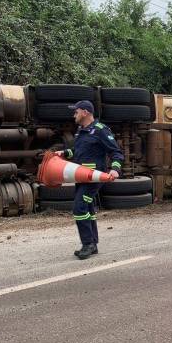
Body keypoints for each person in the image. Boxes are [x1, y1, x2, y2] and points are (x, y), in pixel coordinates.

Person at [56, 100, 123, 260]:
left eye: (76, 111)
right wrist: (63, 153)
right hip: (80, 176)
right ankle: (93, 244)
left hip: (93, 177)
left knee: (79, 208)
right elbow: (78, 152)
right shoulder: (81, 131)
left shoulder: (100, 130)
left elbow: (116, 152)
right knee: (88, 208)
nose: (74, 115)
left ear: (85, 112)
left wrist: (115, 168)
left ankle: (88, 244)